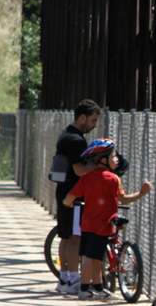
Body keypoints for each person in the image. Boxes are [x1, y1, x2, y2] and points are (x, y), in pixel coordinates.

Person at [63, 138, 150, 300]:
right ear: (103, 160)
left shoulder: (87, 177)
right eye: (113, 156)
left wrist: (67, 203)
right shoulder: (112, 179)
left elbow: (69, 197)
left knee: (95, 257)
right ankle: (84, 289)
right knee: (91, 258)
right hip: (102, 225)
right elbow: (123, 200)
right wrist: (142, 193)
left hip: (87, 224)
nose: (117, 159)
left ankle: (98, 287)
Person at [53, 99, 100, 294]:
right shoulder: (76, 140)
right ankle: (73, 279)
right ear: (83, 117)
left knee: (64, 237)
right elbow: (80, 169)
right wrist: (100, 170)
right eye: (93, 120)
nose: (94, 125)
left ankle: (64, 279)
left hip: (63, 191)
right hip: (74, 195)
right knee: (74, 238)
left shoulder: (66, 134)